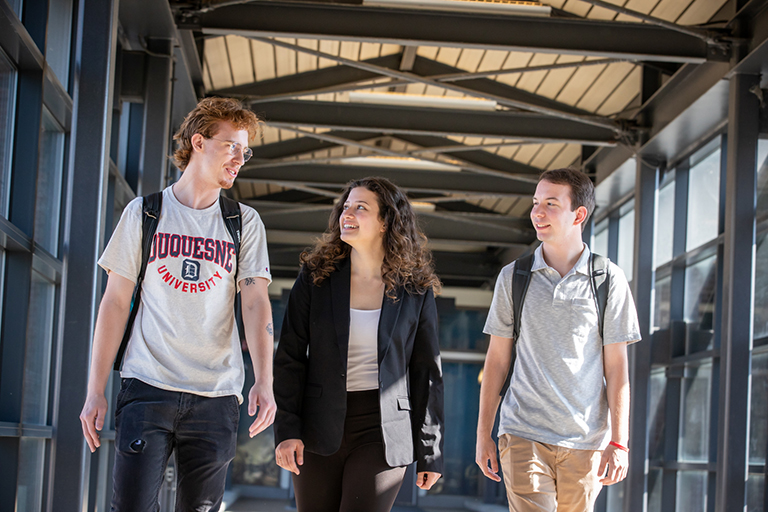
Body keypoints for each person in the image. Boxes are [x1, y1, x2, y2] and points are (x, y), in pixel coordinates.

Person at [79, 97, 276, 511]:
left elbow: (256, 305)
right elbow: (114, 303)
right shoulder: (145, 214)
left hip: (217, 394)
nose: (240, 158)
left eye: (246, 150)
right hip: (147, 386)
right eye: (231, 146)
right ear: (199, 142)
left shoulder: (244, 222)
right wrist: (95, 389)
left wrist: (264, 380)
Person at [273, 176, 444, 512]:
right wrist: (286, 429)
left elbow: (426, 372)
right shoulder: (315, 278)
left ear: (385, 222)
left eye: (360, 207)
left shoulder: (415, 289)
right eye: (345, 207)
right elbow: (290, 357)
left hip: (383, 431)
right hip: (318, 425)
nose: (347, 213)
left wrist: (431, 452)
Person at [475, 168, 641, 512]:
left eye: (551, 203)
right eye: (536, 203)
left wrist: (620, 442)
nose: (538, 212)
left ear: (578, 214)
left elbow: (617, 367)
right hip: (523, 431)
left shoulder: (608, 279)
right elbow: (497, 361)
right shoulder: (514, 277)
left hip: (586, 439)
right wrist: (484, 434)